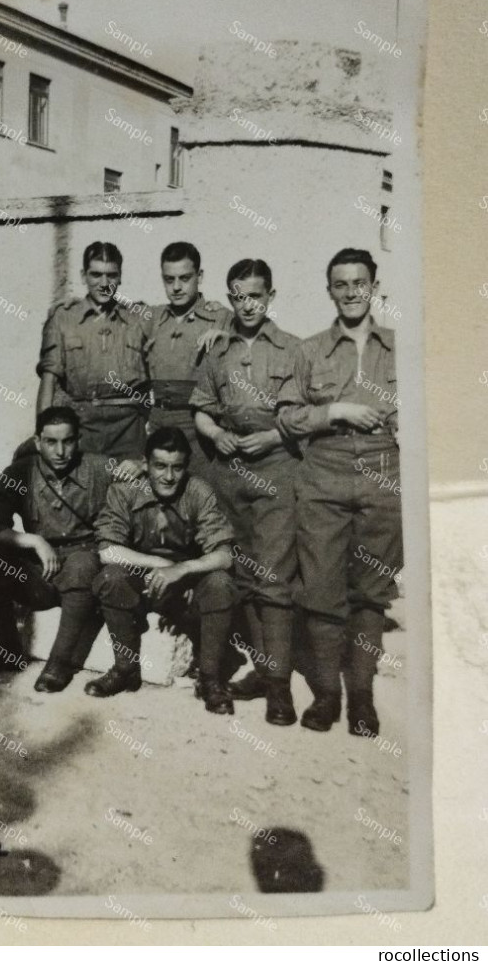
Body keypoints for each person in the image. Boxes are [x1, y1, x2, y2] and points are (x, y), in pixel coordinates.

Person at [276, 247, 402, 736]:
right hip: (324, 471)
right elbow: (286, 417)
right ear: (329, 290)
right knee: (324, 591)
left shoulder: (400, 347)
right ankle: (328, 694)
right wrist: (336, 412)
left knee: (370, 594)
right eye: (341, 284)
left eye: (359, 283)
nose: (351, 292)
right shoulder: (307, 351)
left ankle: (362, 700)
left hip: (382, 472)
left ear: (374, 286)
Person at [190, 259, 301, 727]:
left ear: (271, 295)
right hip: (228, 471)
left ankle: (278, 690)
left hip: (276, 470)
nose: (247, 304)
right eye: (237, 295)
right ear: (229, 297)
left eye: (255, 294)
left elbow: (302, 418)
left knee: (272, 579)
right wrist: (215, 435)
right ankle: (256, 671)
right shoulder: (217, 349)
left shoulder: (293, 350)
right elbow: (201, 409)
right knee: (236, 573)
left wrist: (274, 437)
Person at [84, 426, 237, 714]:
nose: (168, 476)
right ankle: (125, 669)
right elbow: (107, 551)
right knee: (111, 577)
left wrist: (183, 570)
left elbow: (225, 556)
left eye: (177, 468)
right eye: (160, 466)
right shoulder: (125, 489)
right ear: (146, 464)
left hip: (185, 587)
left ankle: (209, 678)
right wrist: (164, 566)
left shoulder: (198, 491)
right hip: (143, 582)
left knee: (221, 584)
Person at [0, 406, 110, 693]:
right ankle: (9, 649)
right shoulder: (21, 472)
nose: (60, 451)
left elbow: (146, 491)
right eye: (51, 442)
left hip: (86, 573)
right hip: (41, 573)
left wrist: (140, 467)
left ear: (78, 440)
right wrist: (33, 541)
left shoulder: (99, 468)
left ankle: (59, 664)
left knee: (82, 564)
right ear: (37, 442)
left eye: (67, 441)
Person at [36, 241, 150, 463]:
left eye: (111, 275)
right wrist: (43, 434)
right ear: (83, 276)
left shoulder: (140, 319)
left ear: (120, 276)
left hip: (128, 430)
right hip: (81, 428)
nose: (104, 284)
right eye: (96, 275)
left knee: (129, 494)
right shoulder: (64, 318)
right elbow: (48, 382)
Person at [145, 242, 233, 482]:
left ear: (200, 276)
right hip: (159, 422)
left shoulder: (221, 317)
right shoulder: (153, 318)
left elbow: (253, 345)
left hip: (199, 426)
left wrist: (228, 338)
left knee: (201, 494)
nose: (176, 287)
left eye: (184, 278)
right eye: (169, 279)